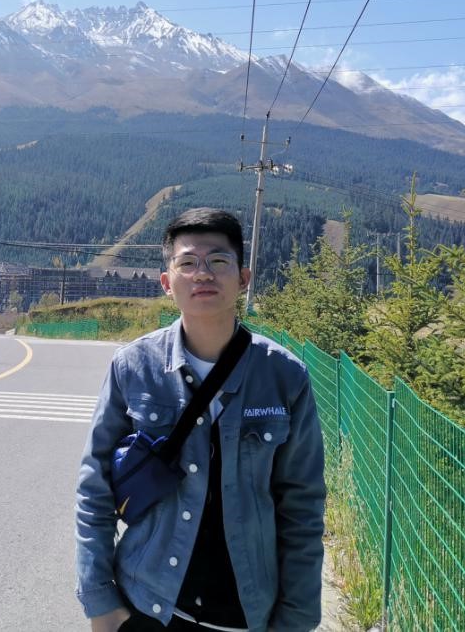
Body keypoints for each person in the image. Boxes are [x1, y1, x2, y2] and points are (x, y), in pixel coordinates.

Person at [75, 208, 326, 632]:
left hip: (245, 615)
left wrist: (296, 621)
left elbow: (302, 509)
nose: (203, 273)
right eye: (187, 262)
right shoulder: (133, 367)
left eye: (218, 261)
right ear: (166, 282)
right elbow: (93, 490)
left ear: (243, 278)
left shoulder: (284, 377)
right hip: (147, 606)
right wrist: (101, 603)